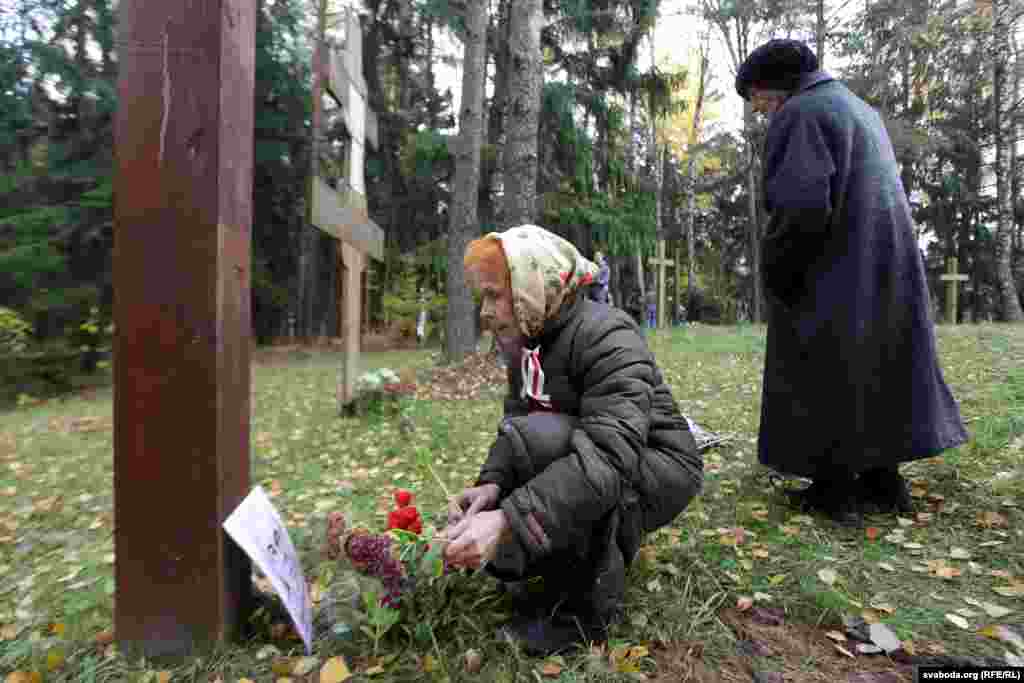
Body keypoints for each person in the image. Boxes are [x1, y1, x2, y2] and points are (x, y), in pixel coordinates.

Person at [736, 39, 967, 526]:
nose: (758, 110)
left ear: (772, 85)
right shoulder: (860, 109)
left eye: (755, 98)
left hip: (836, 266)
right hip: (886, 261)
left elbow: (801, 207)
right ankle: (884, 481)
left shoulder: (801, 113)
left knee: (828, 366)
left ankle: (834, 491)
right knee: (877, 363)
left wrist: (780, 270)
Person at [441, 225, 703, 654]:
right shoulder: (531, 339)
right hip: (600, 454)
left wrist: (507, 520)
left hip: (658, 465)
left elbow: (608, 458)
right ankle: (554, 571)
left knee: (563, 449)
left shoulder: (607, 335)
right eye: (482, 298)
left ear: (532, 285)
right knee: (539, 438)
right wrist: (491, 484)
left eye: (494, 295)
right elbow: (516, 424)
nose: (485, 312)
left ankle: (582, 616)